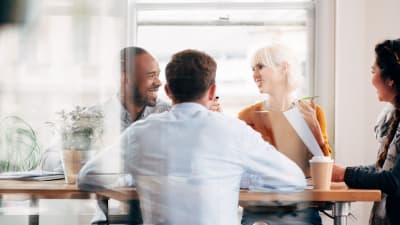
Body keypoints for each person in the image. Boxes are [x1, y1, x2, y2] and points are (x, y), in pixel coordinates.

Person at [78, 49, 307, 225]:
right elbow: (294, 179)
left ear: (168, 91)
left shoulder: (140, 133)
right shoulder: (234, 131)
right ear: (211, 91)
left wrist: (134, 175)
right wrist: (238, 177)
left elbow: (87, 177)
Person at [237, 44, 332, 225]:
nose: (254, 74)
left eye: (261, 67)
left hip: (302, 209)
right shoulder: (247, 116)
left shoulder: (312, 112)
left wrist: (316, 132)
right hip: (259, 210)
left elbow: (325, 173)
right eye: (253, 69)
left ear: (284, 68)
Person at [332, 39, 400, 225]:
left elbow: (393, 181)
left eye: (373, 71)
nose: (371, 79)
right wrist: (344, 172)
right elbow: (384, 168)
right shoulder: (395, 116)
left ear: (390, 79)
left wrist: (345, 174)